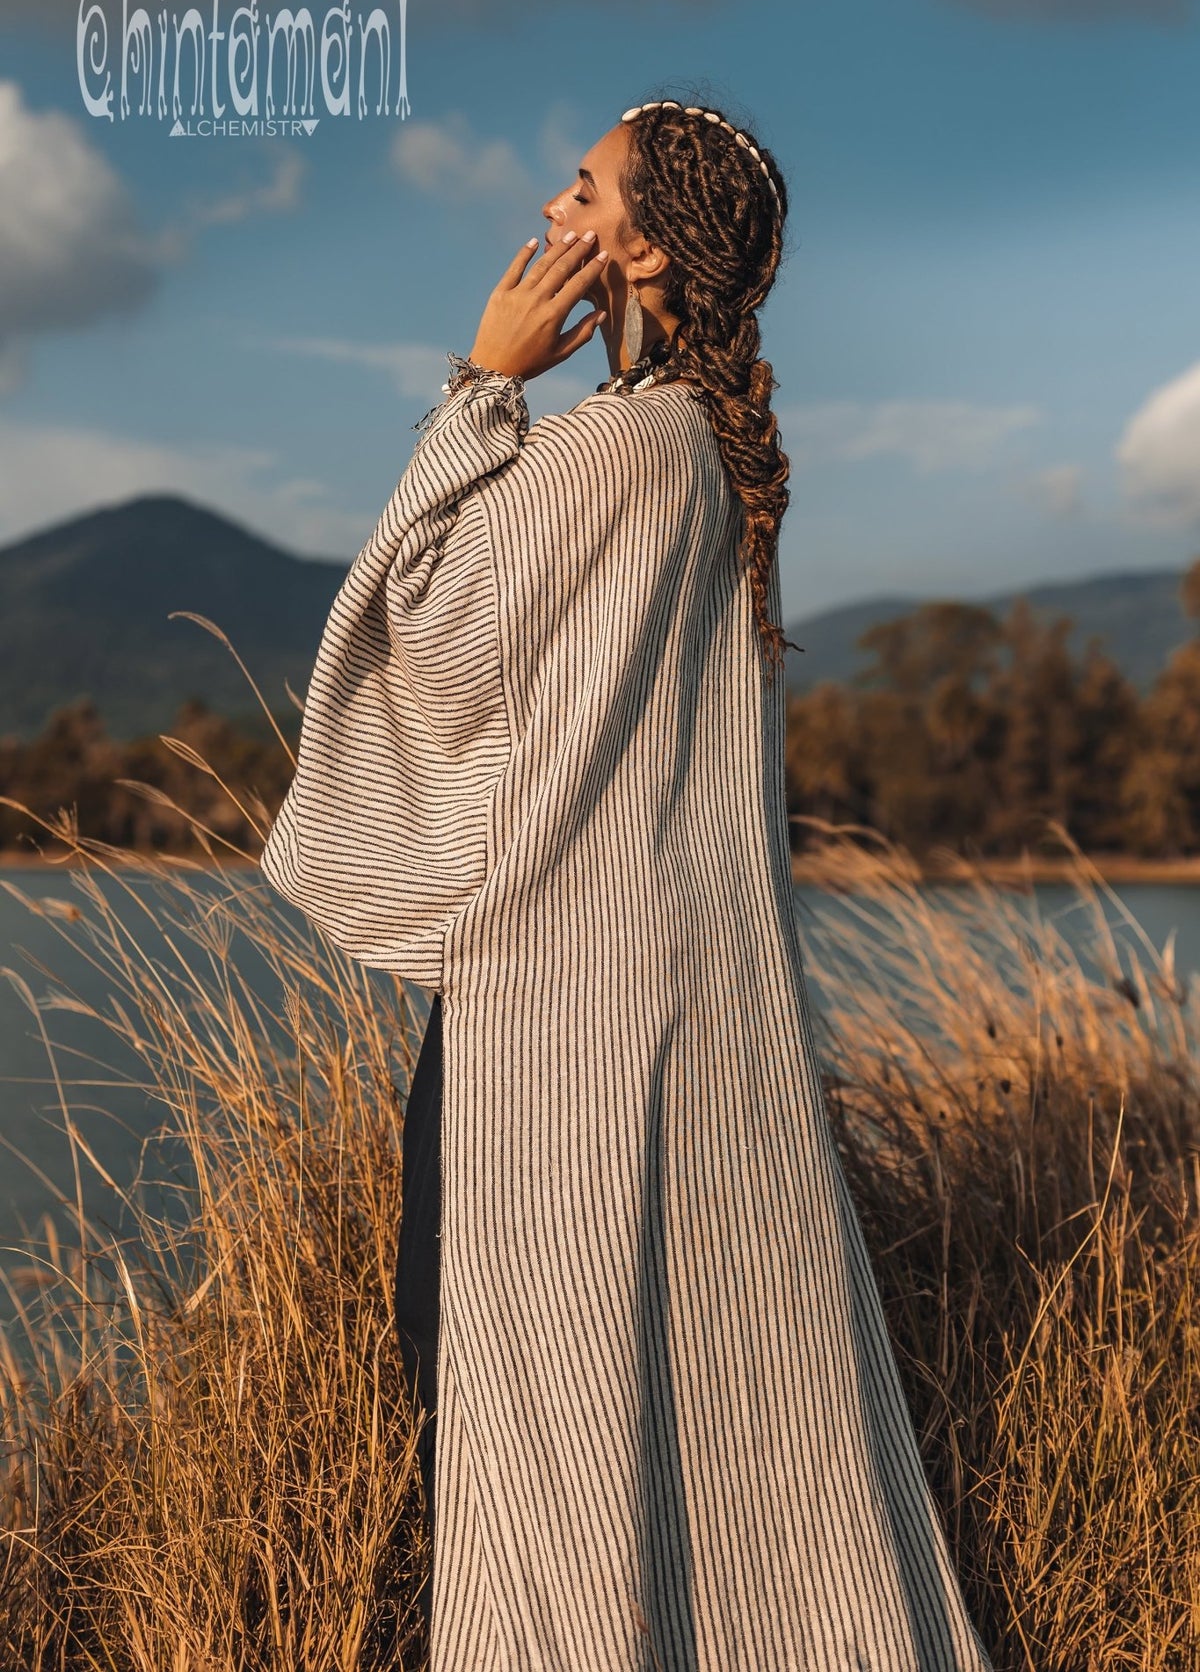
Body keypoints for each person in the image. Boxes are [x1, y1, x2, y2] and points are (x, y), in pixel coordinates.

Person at [259, 91, 995, 1671]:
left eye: (584, 185)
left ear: (646, 242)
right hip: (650, 990)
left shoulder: (626, 447)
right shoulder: (707, 452)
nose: (551, 202)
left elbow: (434, 634)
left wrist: (479, 385)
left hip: (563, 998)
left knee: (504, 1376)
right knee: (631, 1379)